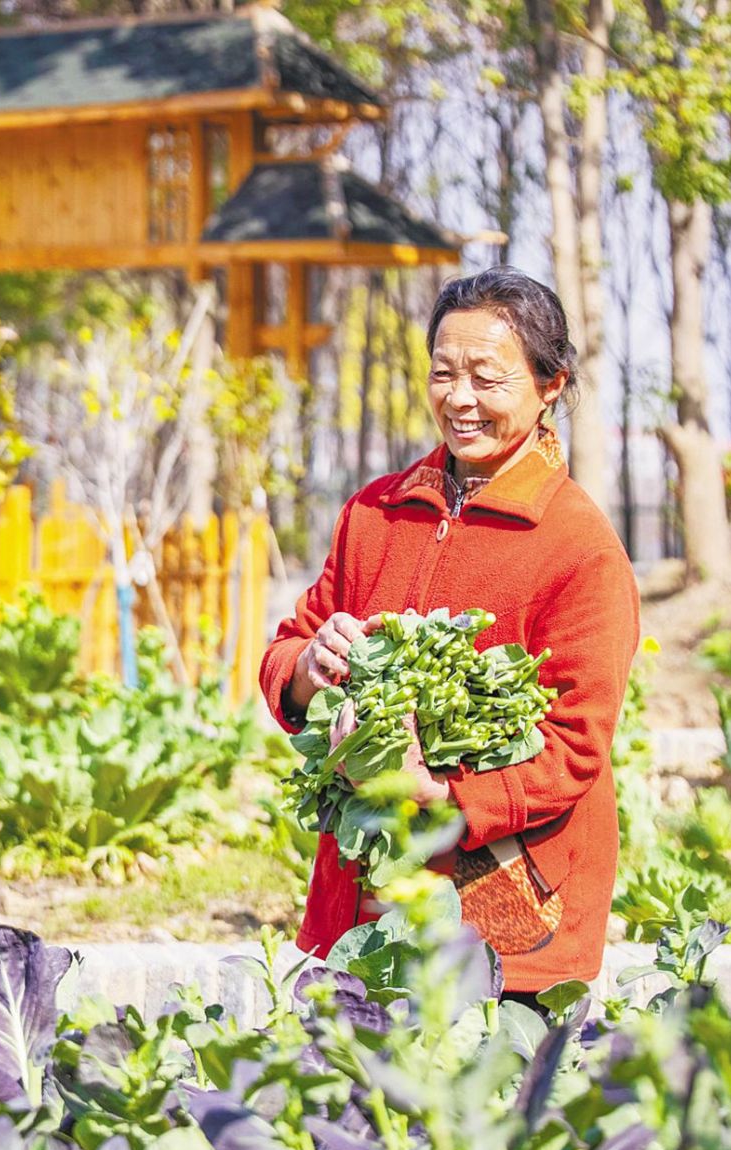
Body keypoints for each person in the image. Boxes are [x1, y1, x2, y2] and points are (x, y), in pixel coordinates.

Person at [260, 267, 640, 1001]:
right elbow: (288, 647)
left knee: (483, 1070)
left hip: (509, 915)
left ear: (551, 385)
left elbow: (574, 748)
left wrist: (437, 789)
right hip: (365, 905)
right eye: (443, 373)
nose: (460, 398)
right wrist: (309, 665)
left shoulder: (579, 547)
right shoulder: (375, 513)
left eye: (487, 379)